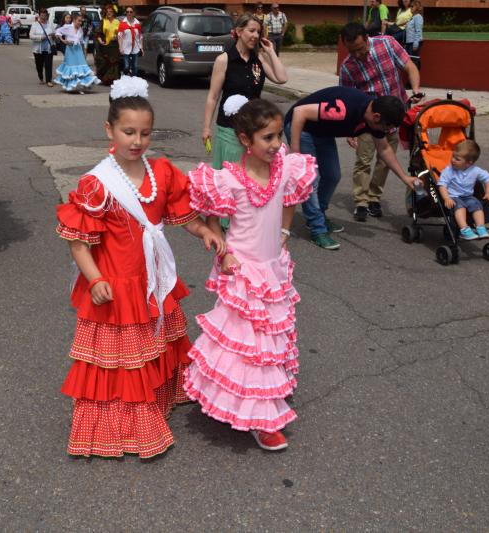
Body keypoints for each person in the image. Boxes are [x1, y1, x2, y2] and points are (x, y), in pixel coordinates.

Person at [56, 77, 225, 458]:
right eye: (128, 131)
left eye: (145, 133)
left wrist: (203, 233)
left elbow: (180, 213)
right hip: (116, 286)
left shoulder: (161, 172)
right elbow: (77, 240)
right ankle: (123, 429)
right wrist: (94, 277)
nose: (137, 141)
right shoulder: (97, 184)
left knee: (156, 345)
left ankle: (159, 401)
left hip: (153, 278)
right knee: (122, 363)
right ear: (110, 130)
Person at [183, 98, 315, 451]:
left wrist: (285, 235)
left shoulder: (285, 167)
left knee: (271, 341)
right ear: (245, 140)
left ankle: (261, 401)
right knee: (249, 345)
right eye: (268, 138)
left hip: (273, 266)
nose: (276, 145)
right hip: (243, 269)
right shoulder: (228, 179)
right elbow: (212, 214)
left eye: (279, 136)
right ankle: (262, 419)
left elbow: (290, 200)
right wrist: (223, 251)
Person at [284, 87, 418, 250]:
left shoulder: (372, 118)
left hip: (322, 132)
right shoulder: (343, 109)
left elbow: (384, 149)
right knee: (311, 181)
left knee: (333, 175)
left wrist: (405, 177)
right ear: (376, 117)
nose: (385, 132)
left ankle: (320, 214)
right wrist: (295, 151)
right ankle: (316, 228)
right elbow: (300, 111)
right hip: (302, 128)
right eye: (385, 127)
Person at [339, 22, 422, 223]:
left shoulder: (387, 44)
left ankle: (374, 197)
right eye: (352, 51)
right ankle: (361, 201)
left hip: (394, 115)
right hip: (368, 120)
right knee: (364, 159)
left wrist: (416, 89)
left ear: (367, 39)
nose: (357, 54)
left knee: (386, 160)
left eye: (359, 48)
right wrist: (350, 130)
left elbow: (409, 66)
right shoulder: (348, 67)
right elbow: (346, 99)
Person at [202, 14, 287, 171]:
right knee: (232, 175)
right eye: (251, 31)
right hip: (229, 130)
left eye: (258, 32)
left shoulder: (258, 58)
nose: (255, 36)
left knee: (250, 177)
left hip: (254, 128)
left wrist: (270, 51)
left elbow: (281, 78)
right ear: (239, 32)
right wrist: (206, 127)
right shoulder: (224, 60)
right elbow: (213, 97)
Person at [436, 140, 489, 241]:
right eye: (453, 157)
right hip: (453, 196)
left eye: (457, 159)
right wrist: (446, 197)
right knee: (460, 206)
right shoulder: (449, 170)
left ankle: (480, 227)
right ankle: (465, 230)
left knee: (477, 205)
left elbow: (487, 178)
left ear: (469, 163)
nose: (453, 160)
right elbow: (442, 185)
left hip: (467, 196)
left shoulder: (475, 170)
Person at [54, 14, 100, 93]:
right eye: (79, 21)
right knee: (72, 69)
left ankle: (83, 85)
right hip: (70, 50)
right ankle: (72, 86)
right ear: (74, 20)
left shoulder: (80, 29)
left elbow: (82, 41)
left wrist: (83, 52)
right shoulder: (67, 27)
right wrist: (63, 40)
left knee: (82, 68)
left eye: (81, 21)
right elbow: (57, 31)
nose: (80, 23)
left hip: (78, 50)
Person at [95, 4, 121, 85]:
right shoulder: (103, 21)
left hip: (115, 45)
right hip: (105, 46)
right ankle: (106, 80)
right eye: (107, 12)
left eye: (111, 12)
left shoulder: (117, 22)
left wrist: (117, 37)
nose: (109, 13)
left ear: (113, 13)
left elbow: (121, 33)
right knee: (105, 62)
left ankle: (114, 79)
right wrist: (100, 41)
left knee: (114, 63)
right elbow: (98, 33)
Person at [30, 9, 56, 87]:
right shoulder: (35, 24)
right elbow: (31, 36)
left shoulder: (50, 24)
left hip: (48, 48)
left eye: (45, 15)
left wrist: (54, 36)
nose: (43, 17)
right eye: (42, 15)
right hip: (38, 49)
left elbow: (54, 35)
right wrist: (41, 37)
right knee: (39, 65)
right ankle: (41, 77)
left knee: (48, 65)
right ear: (39, 15)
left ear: (47, 16)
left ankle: (48, 80)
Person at [117, 7, 142, 77]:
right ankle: (125, 77)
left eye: (131, 12)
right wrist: (120, 47)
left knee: (135, 66)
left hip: (135, 48)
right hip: (126, 48)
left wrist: (141, 47)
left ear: (133, 13)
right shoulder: (122, 23)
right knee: (126, 66)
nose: (129, 13)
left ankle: (134, 80)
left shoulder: (137, 23)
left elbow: (140, 36)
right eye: (127, 12)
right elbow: (120, 36)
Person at [404, 0, 424, 67]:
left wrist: (415, 44)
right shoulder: (413, 17)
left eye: (412, 6)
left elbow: (418, 31)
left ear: (417, 7)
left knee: (413, 63)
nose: (410, 8)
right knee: (410, 62)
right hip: (409, 42)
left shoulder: (418, 17)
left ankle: (414, 76)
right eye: (410, 6)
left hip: (413, 42)